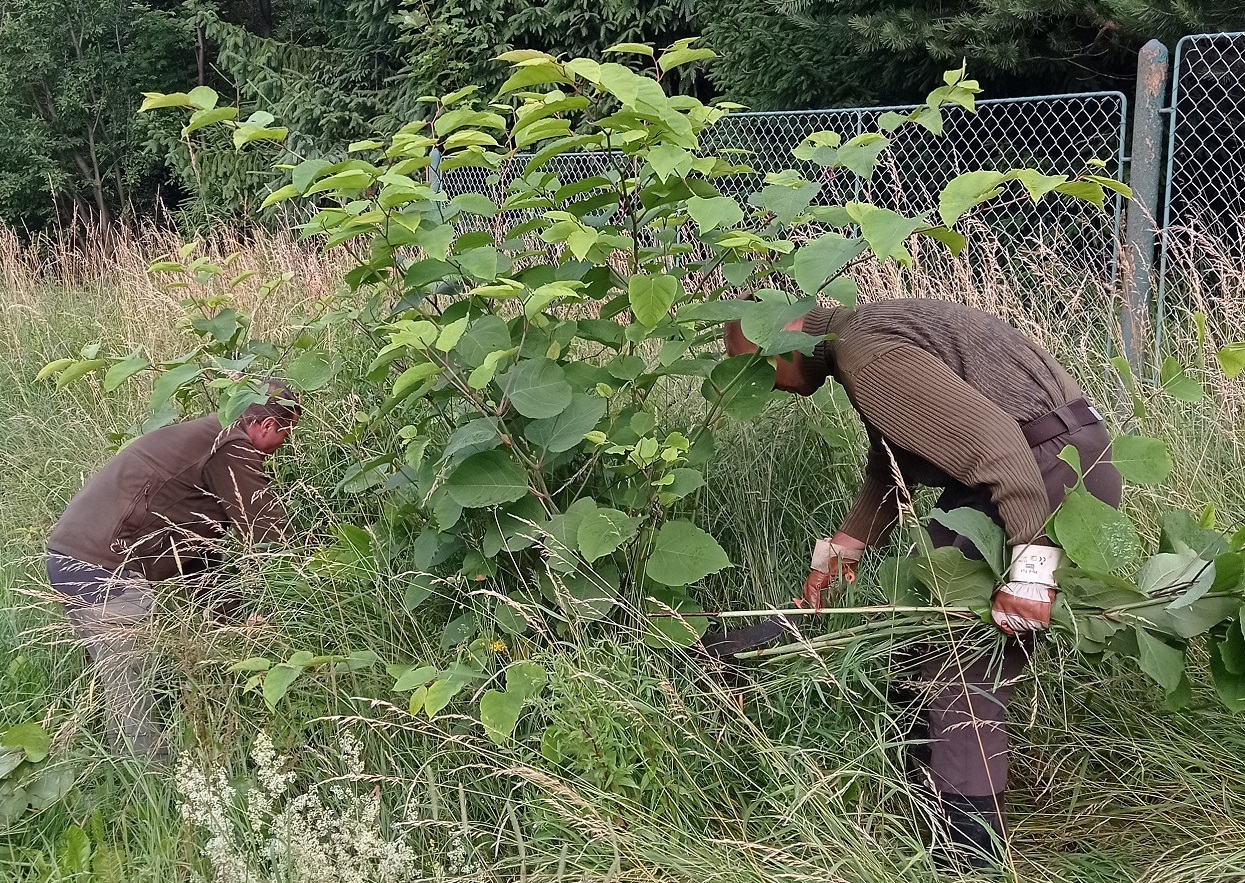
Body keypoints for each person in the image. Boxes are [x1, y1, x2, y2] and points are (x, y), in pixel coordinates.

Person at [724, 298, 1122, 872]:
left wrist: (1032, 574)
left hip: (1041, 476)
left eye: (754, 364)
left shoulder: (866, 352)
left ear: (785, 334)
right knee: (915, 640)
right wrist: (838, 554)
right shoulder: (864, 338)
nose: (761, 387)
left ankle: (970, 861)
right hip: (1043, 464)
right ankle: (926, 822)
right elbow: (896, 463)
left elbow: (997, 447)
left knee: (955, 670)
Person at [45, 381, 299, 760]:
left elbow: (197, 551)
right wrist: (313, 585)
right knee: (133, 702)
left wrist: (235, 615)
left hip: (73, 559)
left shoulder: (207, 438)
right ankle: (152, 790)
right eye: (287, 433)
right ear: (265, 426)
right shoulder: (231, 446)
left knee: (118, 688)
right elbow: (268, 534)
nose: (286, 444)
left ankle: (101, 762)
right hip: (103, 569)